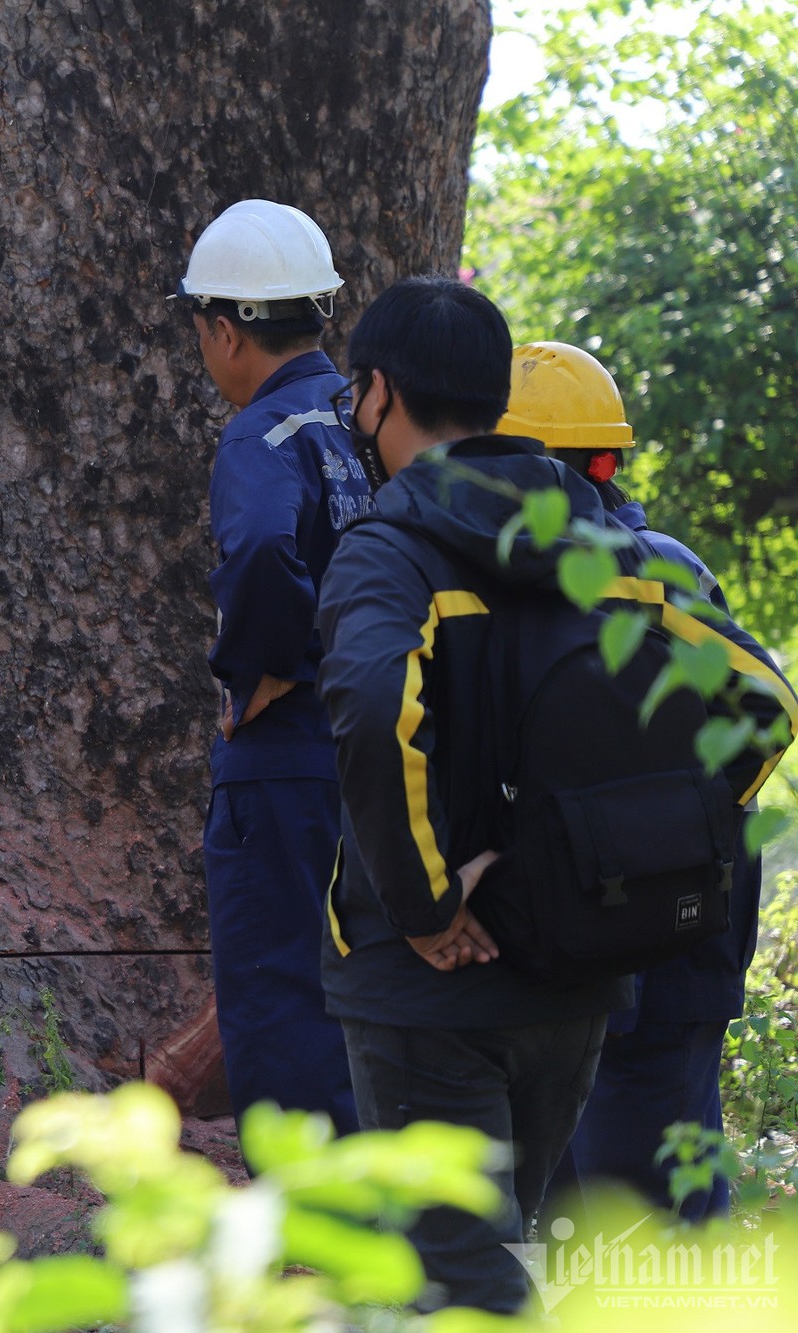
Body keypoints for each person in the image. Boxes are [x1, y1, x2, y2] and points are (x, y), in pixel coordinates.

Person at [316, 279, 792, 1311]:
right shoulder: (622, 556)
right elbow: (761, 701)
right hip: (573, 980)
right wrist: (600, 856)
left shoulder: (390, 549)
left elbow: (363, 700)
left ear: (378, 393)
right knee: (516, 1247)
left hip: (426, 987)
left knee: (456, 1277)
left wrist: (432, 902)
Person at [502, 341, 772, 1220]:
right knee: (633, 1154)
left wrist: (652, 827)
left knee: (636, 1171)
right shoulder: (665, 565)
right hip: (681, 912)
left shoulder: (609, 581)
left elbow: (769, 709)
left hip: (648, 924)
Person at [176, 199, 371, 1136]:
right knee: (372, 995)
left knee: (281, 996)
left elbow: (257, 548)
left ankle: (309, 1246)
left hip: (287, 759)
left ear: (224, 331)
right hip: (387, 747)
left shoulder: (262, 433)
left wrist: (263, 668)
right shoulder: (370, 424)